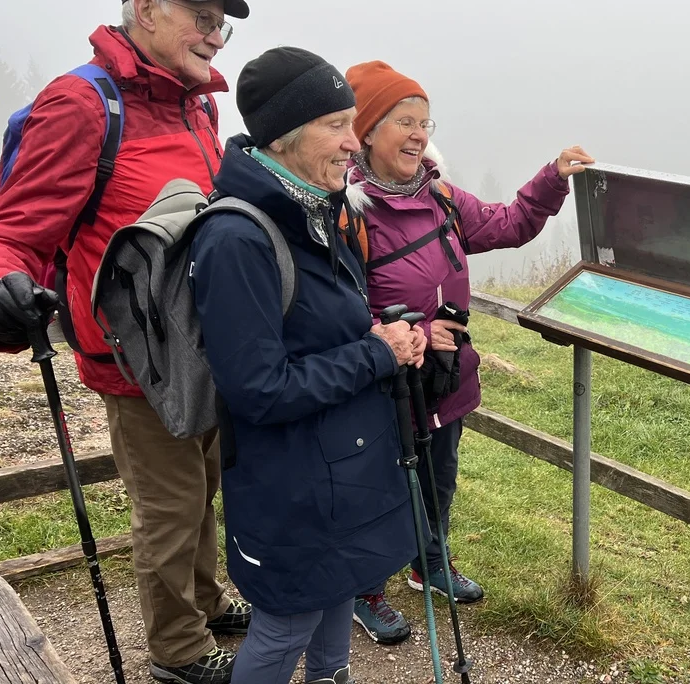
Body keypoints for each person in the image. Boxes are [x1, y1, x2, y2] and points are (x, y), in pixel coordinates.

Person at [0, 2, 250, 682]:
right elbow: (9, 233)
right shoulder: (81, 105)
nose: (216, 35)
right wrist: (0, 286)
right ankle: (178, 652)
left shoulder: (196, 107)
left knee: (203, 488)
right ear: (146, 9)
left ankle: (207, 601)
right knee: (170, 509)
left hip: (200, 348)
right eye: (201, 14)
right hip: (135, 364)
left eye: (224, 21)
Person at [188, 47, 425, 684]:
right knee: (285, 623)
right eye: (336, 125)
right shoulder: (238, 238)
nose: (355, 144)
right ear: (287, 134)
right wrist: (377, 352)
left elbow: (317, 333)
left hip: (338, 466)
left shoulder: (315, 210)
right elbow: (259, 390)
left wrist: (380, 336)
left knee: (336, 590)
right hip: (290, 483)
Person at [342, 59, 594, 645]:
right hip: (385, 382)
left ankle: (429, 564)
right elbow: (336, 309)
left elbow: (509, 224)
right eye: (403, 120)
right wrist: (406, 332)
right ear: (368, 129)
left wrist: (552, 177)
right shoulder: (347, 212)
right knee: (382, 489)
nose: (419, 133)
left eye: (425, 121)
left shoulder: (441, 197)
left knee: (439, 479)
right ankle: (364, 590)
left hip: (446, 379)